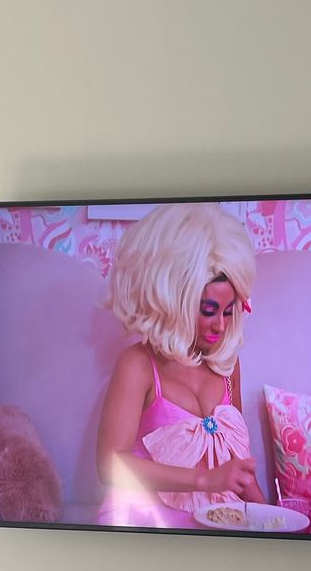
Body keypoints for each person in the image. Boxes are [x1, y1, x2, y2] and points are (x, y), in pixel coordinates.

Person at [97, 203, 266, 527]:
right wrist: (203, 480)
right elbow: (110, 465)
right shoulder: (138, 366)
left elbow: (238, 466)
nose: (220, 325)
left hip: (220, 519)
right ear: (173, 300)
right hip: (148, 521)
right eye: (208, 310)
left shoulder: (227, 366)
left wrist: (275, 517)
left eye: (228, 311)